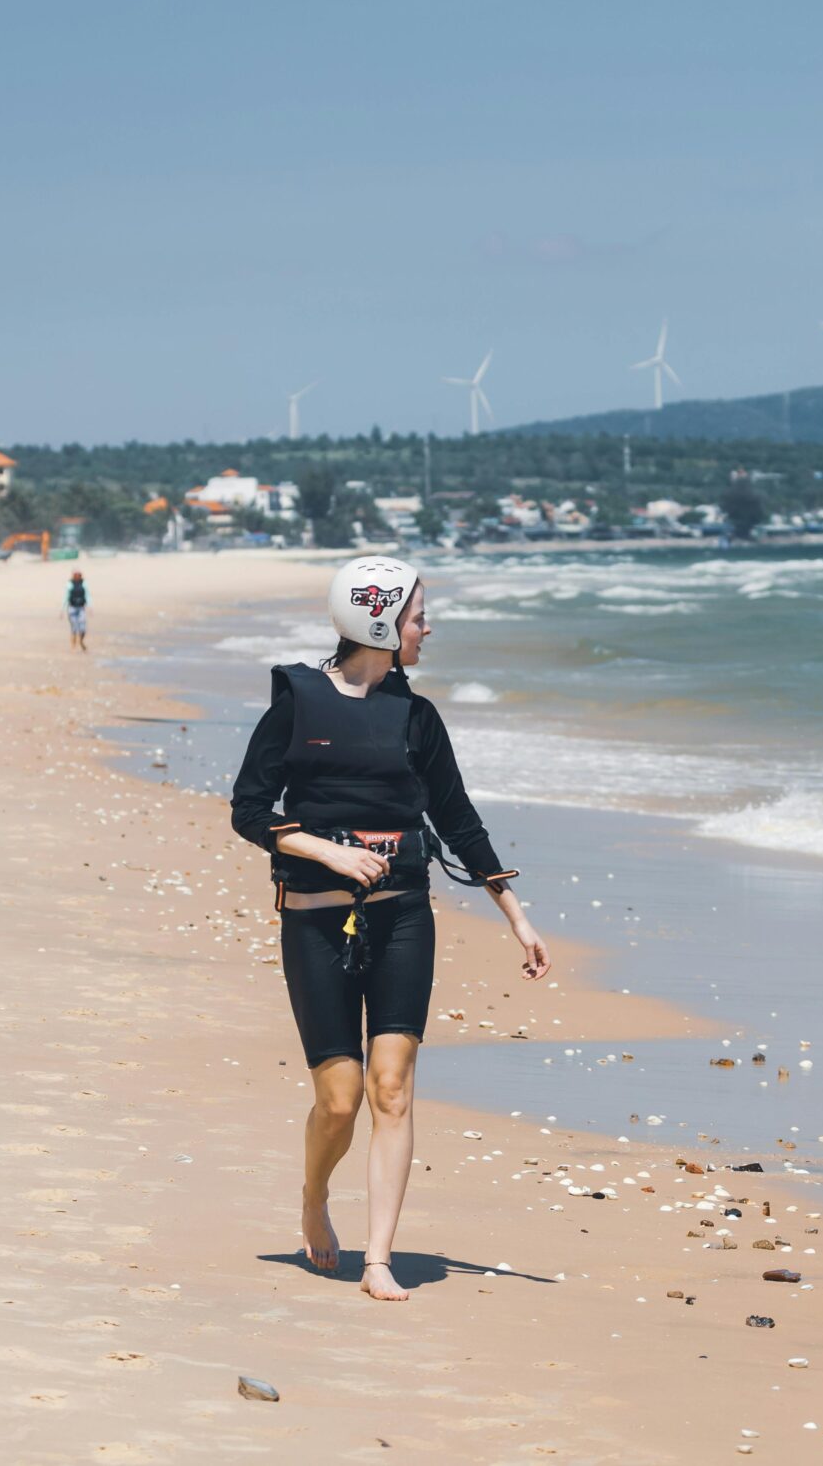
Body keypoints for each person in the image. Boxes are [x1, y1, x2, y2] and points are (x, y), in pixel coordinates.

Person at [229, 556, 545, 1302]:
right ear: (379, 621)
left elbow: (458, 818)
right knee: (338, 1100)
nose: (427, 628)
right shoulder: (298, 705)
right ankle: (314, 1192)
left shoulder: (417, 718)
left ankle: (379, 1257)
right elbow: (249, 810)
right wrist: (326, 848)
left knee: (392, 1087)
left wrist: (516, 913)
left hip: (403, 915)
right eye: (416, 616)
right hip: (314, 920)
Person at [64, 569, 90, 650]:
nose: (78, 576)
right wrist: (62, 609)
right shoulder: (69, 584)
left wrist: (90, 606)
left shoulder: (84, 584)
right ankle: (73, 645)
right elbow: (66, 597)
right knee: (74, 627)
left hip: (81, 608)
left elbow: (87, 595)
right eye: (76, 575)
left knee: (83, 627)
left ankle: (81, 641)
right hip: (72, 608)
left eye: (79, 575)